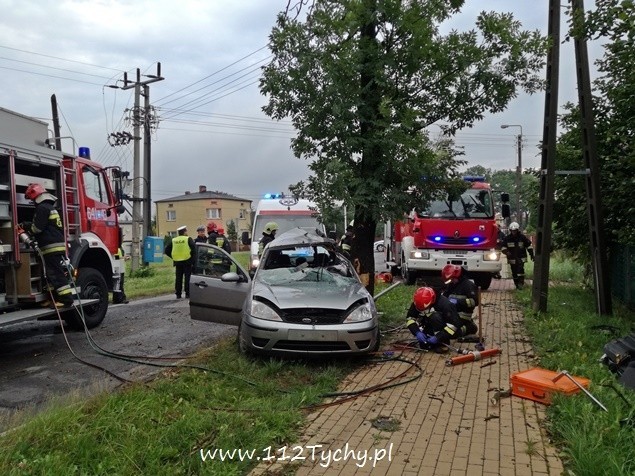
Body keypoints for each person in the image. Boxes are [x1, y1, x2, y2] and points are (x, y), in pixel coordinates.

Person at [21, 183, 74, 308]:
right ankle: (52, 299)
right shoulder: (49, 207)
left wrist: (25, 226)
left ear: (36, 197)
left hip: (51, 247)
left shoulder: (42, 208)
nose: (33, 202)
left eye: (32, 199)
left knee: (55, 273)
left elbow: (37, 229)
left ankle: (67, 300)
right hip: (54, 246)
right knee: (49, 274)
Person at [405, 287, 463, 353]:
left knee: (434, 316)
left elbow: (453, 326)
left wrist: (438, 337)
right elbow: (410, 319)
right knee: (424, 345)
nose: (422, 310)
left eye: (425, 308)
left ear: (431, 302)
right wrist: (417, 332)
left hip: (446, 329)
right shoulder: (419, 303)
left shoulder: (446, 305)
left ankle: (442, 342)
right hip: (428, 325)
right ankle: (429, 336)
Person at [441, 264, 477, 337]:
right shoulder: (452, 284)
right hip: (451, 314)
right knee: (440, 328)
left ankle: (470, 327)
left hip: (463, 316)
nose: (451, 282)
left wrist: (457, 301)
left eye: (452, 279)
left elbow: (474, 302)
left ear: (457, 276)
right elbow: (444, 296)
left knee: (452, 333)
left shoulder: (468, 285)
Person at [500, 222, 534, 290]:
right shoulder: (507, 238)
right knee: (514, 272)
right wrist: (506, 252)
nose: (514, 232)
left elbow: (529, 246)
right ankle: (516, 284)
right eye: (512, 230)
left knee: (520, 270)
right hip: (512, 258)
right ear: (510, 230)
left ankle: (520, 284)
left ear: (517, 230)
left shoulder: (522, 237)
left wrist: (532, 255)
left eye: (515, 230)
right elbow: (503, 247)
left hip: (521, 258)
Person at [164, 225, 195, 299]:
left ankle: (178, 294)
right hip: (187, 261)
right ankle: (187, 293)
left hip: (177, 262)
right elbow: (194, 250)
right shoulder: (188, 239)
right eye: (186, 231)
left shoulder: (174, 240)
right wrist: (192, 259)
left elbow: (167, 250)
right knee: (187, 278)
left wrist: (173, 257)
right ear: (184, 232)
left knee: (178, 278)